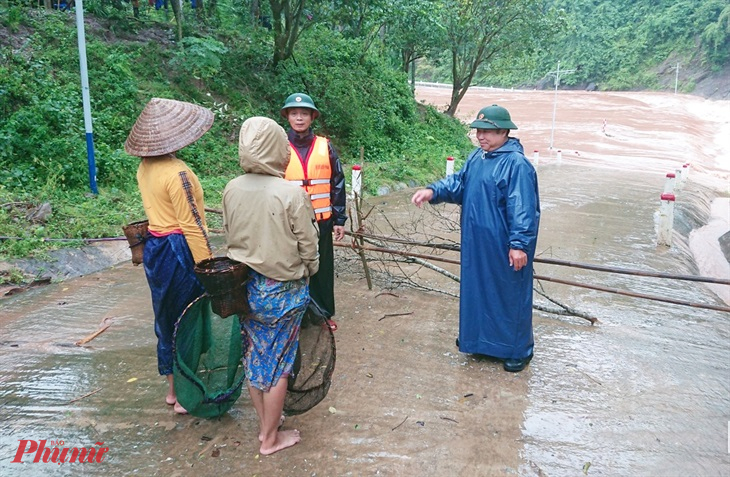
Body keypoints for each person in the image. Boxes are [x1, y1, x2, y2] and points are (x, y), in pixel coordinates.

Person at [411, 104, 540, 373]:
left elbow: (523, 208)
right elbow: (459, 184)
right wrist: (433, 191)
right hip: (476, 242)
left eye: (488, 132)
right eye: (478, 131)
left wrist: (519, 244)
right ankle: (480, 343)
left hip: (503, 244)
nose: (481, 136)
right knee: (477, 292)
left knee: (509, 294)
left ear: (504, 131)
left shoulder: (516, 164)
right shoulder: (476, 158)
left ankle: (517, 350)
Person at [222, 117, 320, 455]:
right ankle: (269, 438)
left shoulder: (232, 188)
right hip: (284, 291)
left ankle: (267, 426)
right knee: (279, 365)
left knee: (255, 358)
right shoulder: (291, 193)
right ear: (278, 149)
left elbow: (229, 231)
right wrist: (311, 269)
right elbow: (308, 245)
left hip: (244, 288)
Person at [124, 98, 214, 412]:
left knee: (166, 316)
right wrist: (207, 264)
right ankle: (186, 396)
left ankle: (173, 390)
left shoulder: (144, 167)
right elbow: (192, 224)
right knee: (186, 317)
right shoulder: (178, 174)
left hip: (155, 249)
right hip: (179, 249)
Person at [280, 93, 346, 322]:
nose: (299, 118)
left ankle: (322, 314)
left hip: (322, 220)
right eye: (294, 113)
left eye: (304, 114)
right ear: (287, 116)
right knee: (290, 267)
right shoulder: (279, 147)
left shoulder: (324, 146)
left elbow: (337, 182)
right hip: (288, 221)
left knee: (322, 268)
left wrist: (340, 220)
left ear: (312, 117)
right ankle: (294, 314)